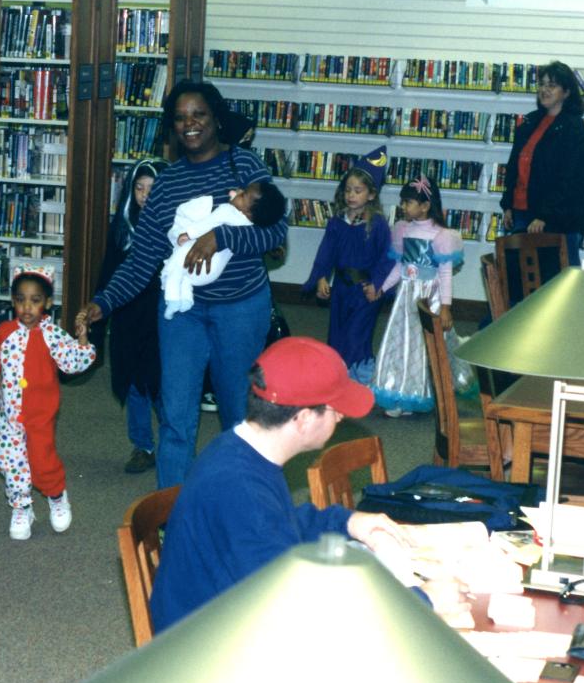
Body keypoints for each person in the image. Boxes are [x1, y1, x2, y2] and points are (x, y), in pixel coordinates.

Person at [78, 81, 286, 489]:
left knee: (237, 416)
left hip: (241, 309)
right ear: (172, 127)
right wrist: (102, 303)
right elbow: (142, 262)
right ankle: (171, 515)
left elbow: (276, 235)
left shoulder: (244, 166)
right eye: (180, 117)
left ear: (215, 119)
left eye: (199, 115)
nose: (190, 124)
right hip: (182, 312)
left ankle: (237, 506)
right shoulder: (168, 185)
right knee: (175, 417)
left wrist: (221, 237)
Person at [149, 336, 408, 633]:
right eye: (335, 408)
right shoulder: (241, 489)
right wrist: (419, 601)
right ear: (304, 419)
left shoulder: (239, 448)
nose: (341, 416)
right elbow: (292, 610)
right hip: (209, 650)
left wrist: (348, 521)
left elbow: (278, 525)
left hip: (224, 618)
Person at [0, 265, 96, 540]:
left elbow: (73, 362)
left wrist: (82, 338)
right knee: (10, 460)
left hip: (40, 413)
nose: (27, 307)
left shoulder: (51, 334)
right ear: (13, 301)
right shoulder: (4, 332)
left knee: (42, 460)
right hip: (8, 415)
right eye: (21, 299)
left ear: (48, 303)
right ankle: (21, 506)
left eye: (35, 300)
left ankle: (56, 495)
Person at [370, 174, 464, 417]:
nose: (403, 206)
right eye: (403, 202)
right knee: (401, 344)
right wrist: (382, 287)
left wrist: (445, 307)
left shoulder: (441, 236)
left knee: (422, 346)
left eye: (408, 202)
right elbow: (400, 267)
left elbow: (445, 274)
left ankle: (416, 392)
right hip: (406, 295)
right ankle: (401, 391)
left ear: (424, 206)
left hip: (427, 296)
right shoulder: (403, 230)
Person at [96, 159, 169, 474]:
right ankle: (143, 445)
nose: (144, 196)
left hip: (161, 316)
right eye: (139, 189)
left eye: (152, 190)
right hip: (128, 315)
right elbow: (110, 271)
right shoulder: (123, 223)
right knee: (134, 383)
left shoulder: (174, 225)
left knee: (162, 384)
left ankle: (172, 443)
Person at [302, 147, 394, 383]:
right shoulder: (336, 222)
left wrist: (377, 284)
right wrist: (322, 277)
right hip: (342, 290)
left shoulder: (378, 224)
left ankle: (359, 377)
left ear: (371, 195)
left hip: (365, 290)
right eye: (348, 190)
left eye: (358, 191)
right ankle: (338, 373)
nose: (351, 195)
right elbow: (326, 253)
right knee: (339, 332)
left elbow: (387, 257)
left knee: (357, 334)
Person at [499, 60, 584, 266]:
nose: (544, 90)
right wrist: (507, 205)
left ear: (566, 92)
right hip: (523, 215)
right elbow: (514, 168)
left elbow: (570, 181)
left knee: (560, 285)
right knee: (523, 283)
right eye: (542, 84)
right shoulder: (529, 123)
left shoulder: (575, 131)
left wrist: (546, 216)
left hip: (559, 220)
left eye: (552, 85)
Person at [160, 180, 287, 319]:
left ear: (249, 211)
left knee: (174, 266)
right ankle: (186, 299)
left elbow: (206, 224)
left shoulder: (226, 210)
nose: (237, 192)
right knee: (186, 278)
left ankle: (172, 298)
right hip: (211, 273)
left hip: (197, 262)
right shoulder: (250, 223)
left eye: (243, 195)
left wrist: (188, 234)